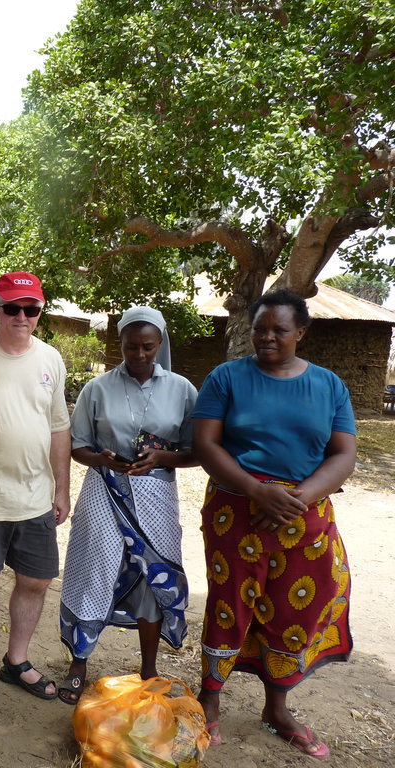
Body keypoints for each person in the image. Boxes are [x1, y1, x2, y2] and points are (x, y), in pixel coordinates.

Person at [192, 289, 356, 759]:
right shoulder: (226, 378)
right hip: (236, 511)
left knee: (292, 610)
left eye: (279, 330)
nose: (266, 337)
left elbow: (343, 453)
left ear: (300, 333)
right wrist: (255, 489)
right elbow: (206, 444)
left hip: (304, 516)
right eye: (260, 329)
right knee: (230, 607)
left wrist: (298, 497)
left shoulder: (329, 386)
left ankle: (276, 708)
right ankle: (210, 698)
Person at [58, 306, 199, 705]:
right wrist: (103, 458)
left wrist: (161, 458)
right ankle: (79, 663)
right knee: (94, 569)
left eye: (148, 347)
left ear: (160, 344)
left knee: (153, 575)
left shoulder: (182, 390)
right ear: (119, 344)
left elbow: (196, 451)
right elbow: (77, 445)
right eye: (130, 346)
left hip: (156, 496)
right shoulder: (97, 388)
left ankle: (149, 668)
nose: (139, 354)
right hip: (104, 490)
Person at [0, 272, 71, 705]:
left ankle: (17, 659)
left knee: (36, 581)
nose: (22, 316)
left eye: (31, 309)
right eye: (12, 308)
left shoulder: (51, 358)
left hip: (35, 495)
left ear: (40, 312)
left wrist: (62, 489)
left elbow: (59, 428)